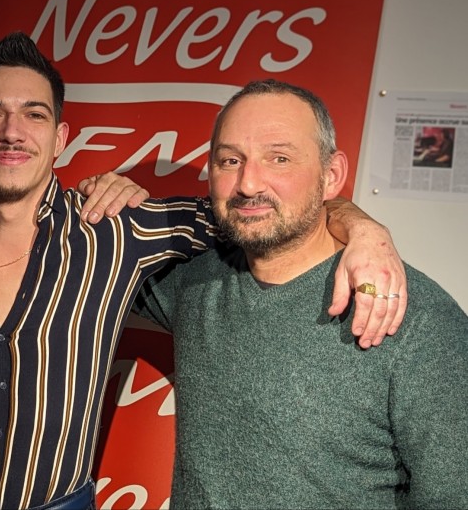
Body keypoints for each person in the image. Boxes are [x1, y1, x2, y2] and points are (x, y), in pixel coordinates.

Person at [0, 33, 408, 510]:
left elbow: (261, 210)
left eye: (34, 114)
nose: (12, 132)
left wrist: (364, 228)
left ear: (60, 137)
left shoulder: (113, 229)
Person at [134, 79, 468, 508]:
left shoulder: (416, 318)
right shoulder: (192, 283)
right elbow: (77, 266)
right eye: (230, 160)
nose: (248, 183)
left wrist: (360, 224)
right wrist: (108, 199)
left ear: (332, 175)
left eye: (280, 158)